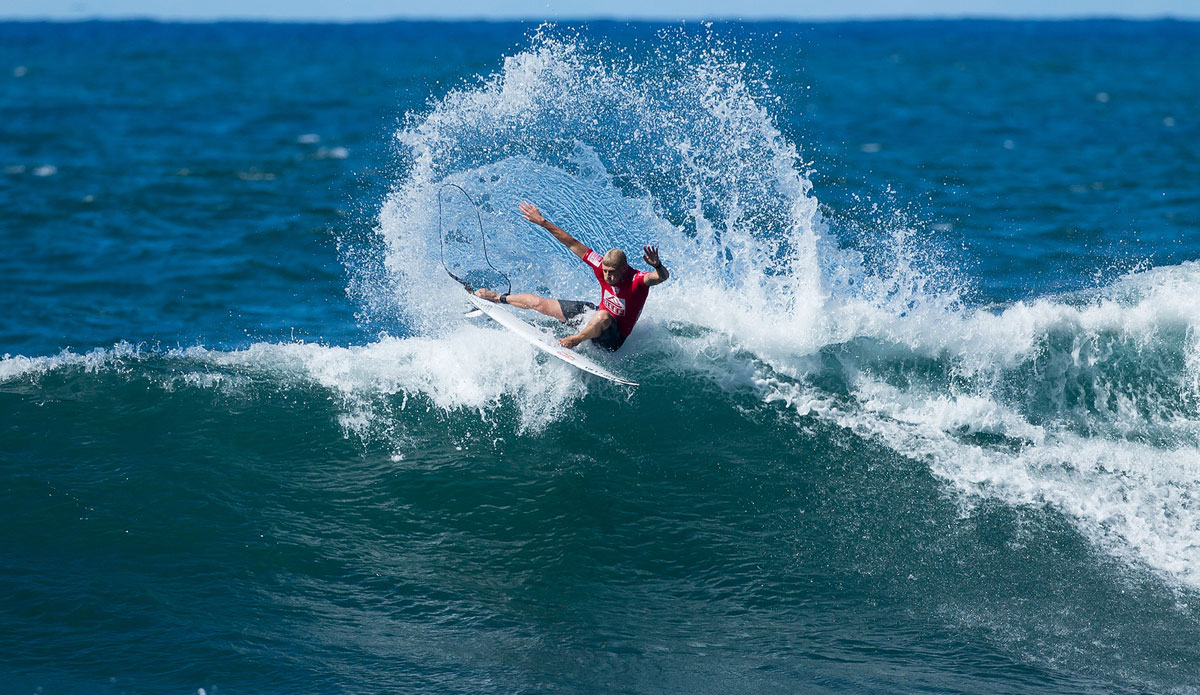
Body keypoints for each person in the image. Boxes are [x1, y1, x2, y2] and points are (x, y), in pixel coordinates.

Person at [473, 201, 669, 351]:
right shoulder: (600, 265)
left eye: (612, 273)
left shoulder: (637, 280)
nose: (606, 276)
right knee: (541, 304)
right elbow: (572, 243)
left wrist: (658, 265)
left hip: (613, 340)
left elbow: (660, 278)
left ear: (624, 269)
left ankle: (575, 340)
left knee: (602, 315)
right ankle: (497, 298)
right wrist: (543, 222)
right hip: (595, 318)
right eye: (605, 271)